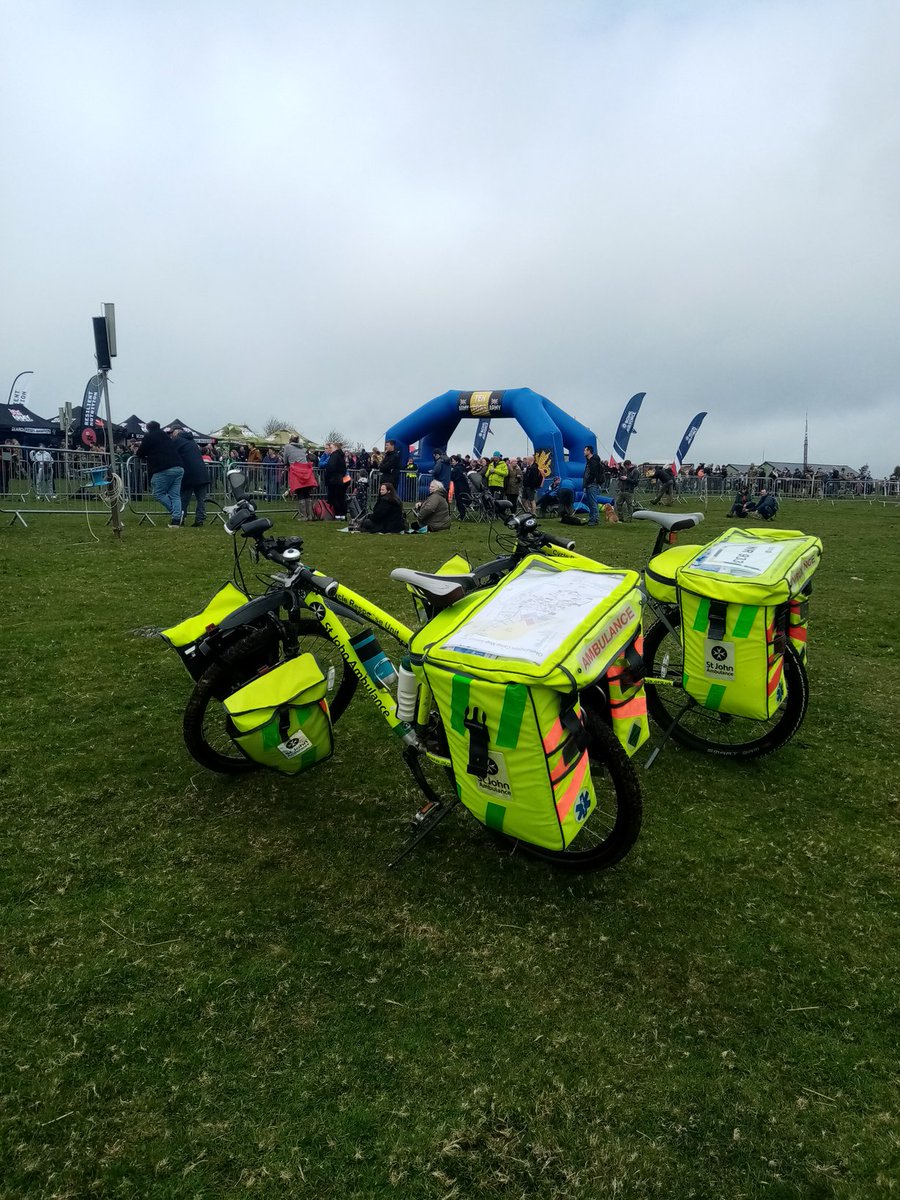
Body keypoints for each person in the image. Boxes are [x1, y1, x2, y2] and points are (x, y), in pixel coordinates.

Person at [136, 420, 184, 526]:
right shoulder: (166, 436)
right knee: (175, 495)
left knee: (158, 494)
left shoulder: (149, 436)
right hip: (179, 466)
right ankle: (176, 520)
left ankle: (177, 514)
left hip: (163, 468)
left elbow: (140, 452)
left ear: (148, 428)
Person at [172, 428, 210, 526]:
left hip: (189, 474)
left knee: (184, 498)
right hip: (202, 473)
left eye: (172, 434)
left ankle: (181, 518)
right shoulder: (191, 441)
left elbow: (170, 452)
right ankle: (199, 520)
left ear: (177, 434)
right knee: (201, 499)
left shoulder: (178, 441)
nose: (172, 436)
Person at [286, 443, 317, 520]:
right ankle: (310, 515)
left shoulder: (288, 447)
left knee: (301, 494)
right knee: (307, 494)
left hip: (296, 472)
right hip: (306, 471)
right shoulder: (302, 448)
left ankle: (304, 516)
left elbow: (285, 459)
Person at [323, 441, 348, 517]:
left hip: (334, 479)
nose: (330, 449)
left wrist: (328, 475)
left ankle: (337, 514)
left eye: (332, 447)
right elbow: (344, 469)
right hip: (341, 479)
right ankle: (343, 515)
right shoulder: (341, 456)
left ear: (336, 448)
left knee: (335, 498)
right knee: (341, 497)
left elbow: (330, 467)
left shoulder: (334, 455)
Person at [582, 445, 605, 526]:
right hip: (590, 484)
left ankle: (594, 519)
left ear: (589, 451)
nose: (584, 452)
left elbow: (593, 474)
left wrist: (587, 482)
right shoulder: (589, 461)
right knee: (591, 502)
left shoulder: (593, 461)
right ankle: (592, 518)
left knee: (593, 502)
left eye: (585, 450)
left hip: (592, 484)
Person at [450, 455, 472, 519]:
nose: (452, 462)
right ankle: (462, 514)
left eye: (453, 461)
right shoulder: (461, 467)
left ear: (457, 461)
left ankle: (462, 515)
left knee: (460, 501)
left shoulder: (457, 468)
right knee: (461, 501)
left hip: (459, 487)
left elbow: (452, 477)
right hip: (464, 487)